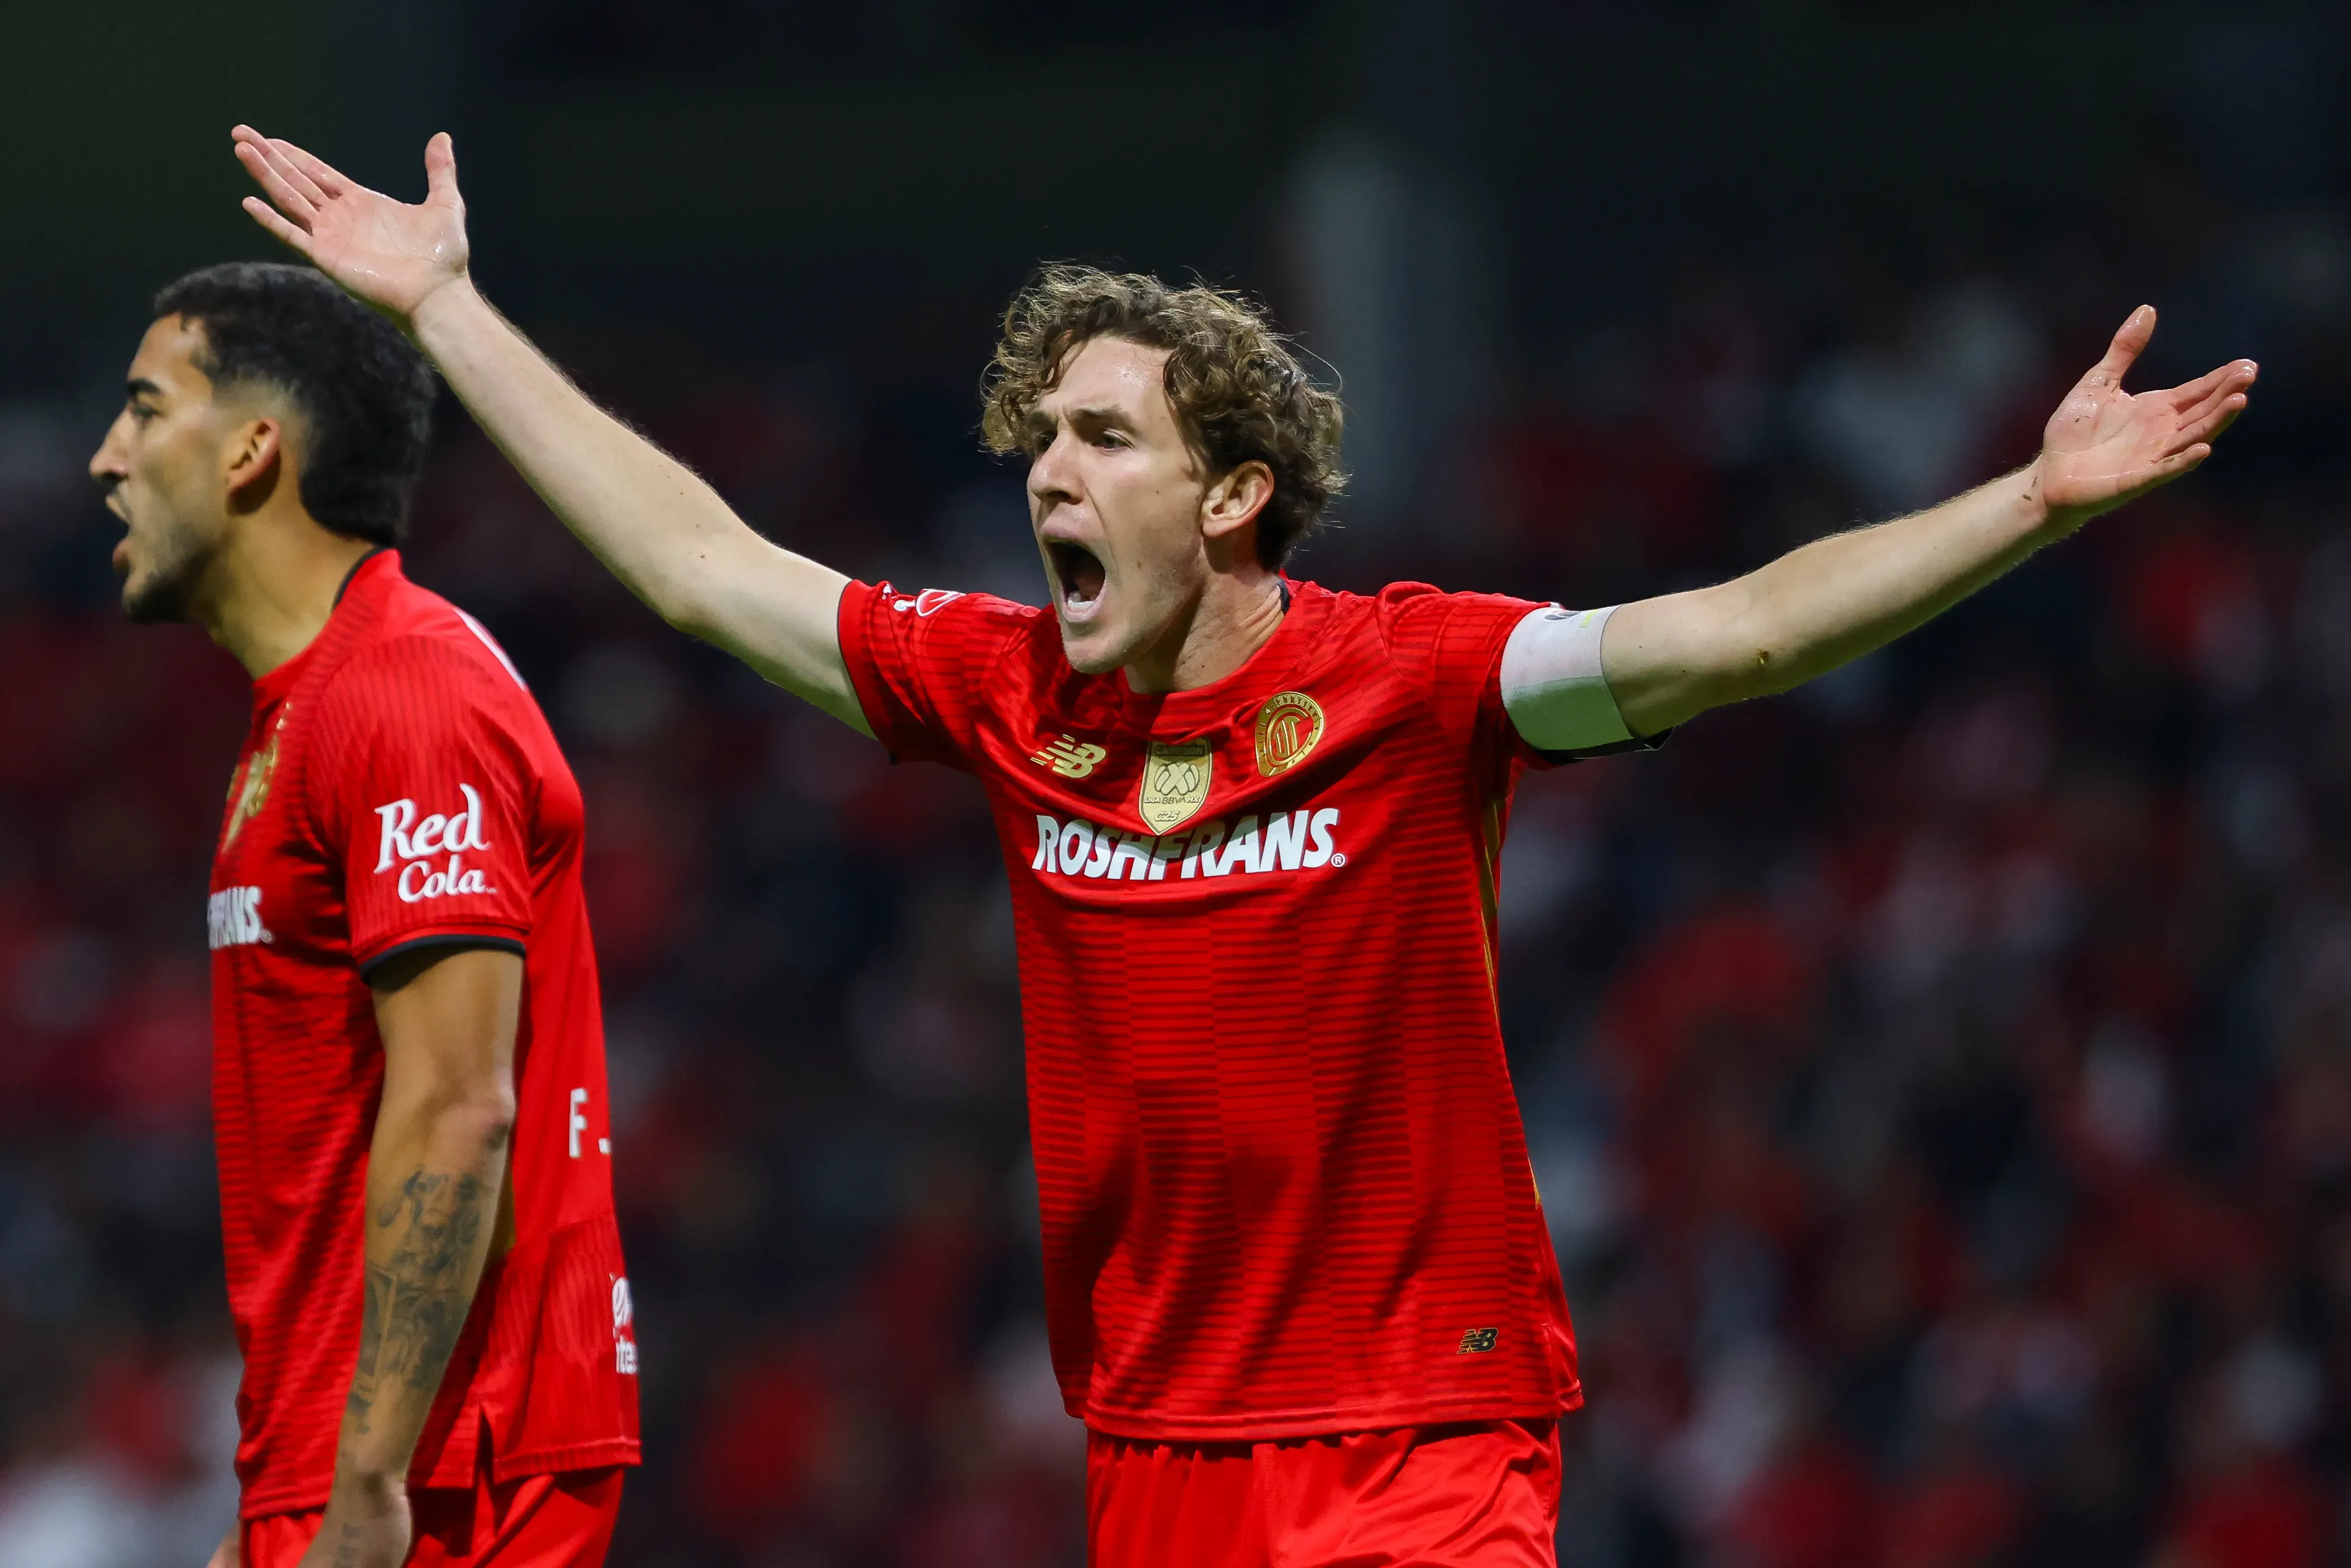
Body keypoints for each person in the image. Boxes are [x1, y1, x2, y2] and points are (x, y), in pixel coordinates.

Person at [230, 128, 2255, 1566]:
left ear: (1236, 492)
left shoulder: (1418, 683)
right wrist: (450, 308)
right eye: (1038, 443)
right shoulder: (1008, 688)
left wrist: (2026, 504)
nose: (1049, 472)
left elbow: (1733, 633)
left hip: (1422, 1438)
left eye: (1103, 437)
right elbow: (697, 566)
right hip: (1159, 1449)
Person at [90, 261, 640, 1568]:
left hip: (461, 1464)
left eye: (146, 408)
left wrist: (370, 1479)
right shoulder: (305, 711)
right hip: (355, 1461)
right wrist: (289, 1485)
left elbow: (461, 1099)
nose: (109, 458)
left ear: (253, 450)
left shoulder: (406, 696)